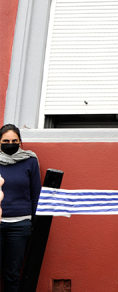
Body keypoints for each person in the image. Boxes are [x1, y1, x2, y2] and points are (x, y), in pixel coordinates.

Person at [0, 124, 41, 292]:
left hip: (20, 225)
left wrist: (34, 223)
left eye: (14, 140)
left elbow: (35, 194)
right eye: (6, 141)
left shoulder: (30, 161)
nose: (10, 143)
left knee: (12, 274)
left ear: (20, 141)